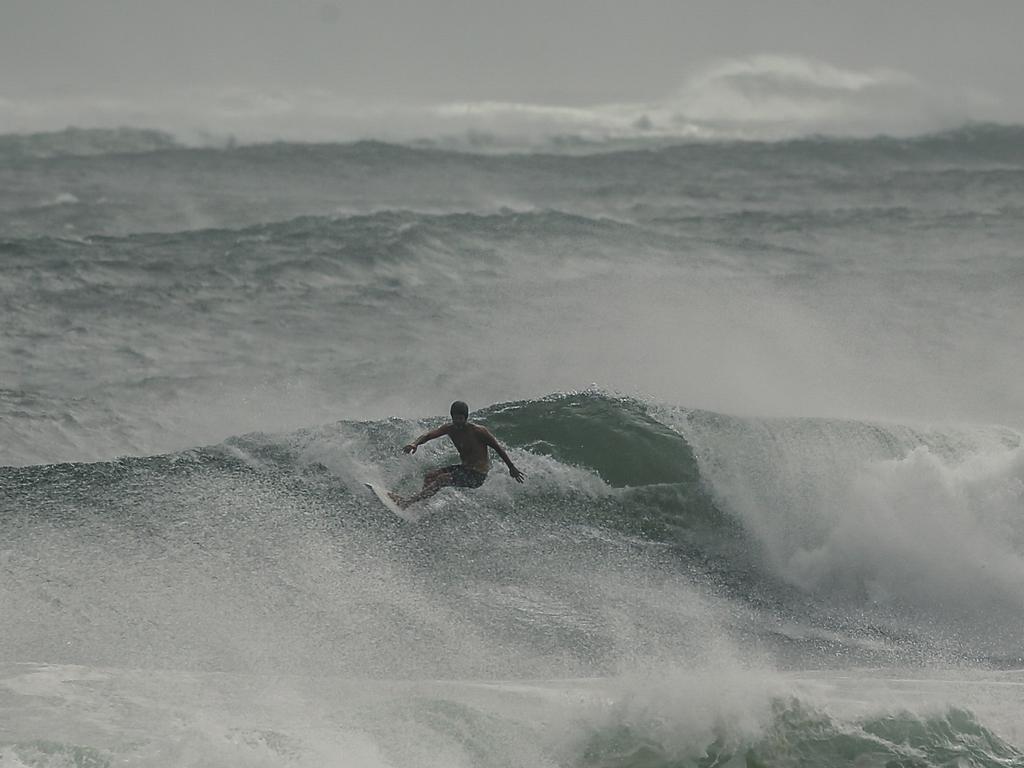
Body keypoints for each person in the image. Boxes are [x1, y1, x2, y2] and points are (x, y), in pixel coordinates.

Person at [393, 401, 525, 508]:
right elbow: (429, 435)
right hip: (465, 468)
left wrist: (511, 467)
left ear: (466, 418)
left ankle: (407, 503)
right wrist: (415, 444)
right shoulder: (450, 429)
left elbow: (498, 448)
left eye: (460, 419)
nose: (458, 422)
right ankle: (420, 505)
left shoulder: (479, 431)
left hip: (477, 475)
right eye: (455, 418)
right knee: (429, 476)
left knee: (442, 479)